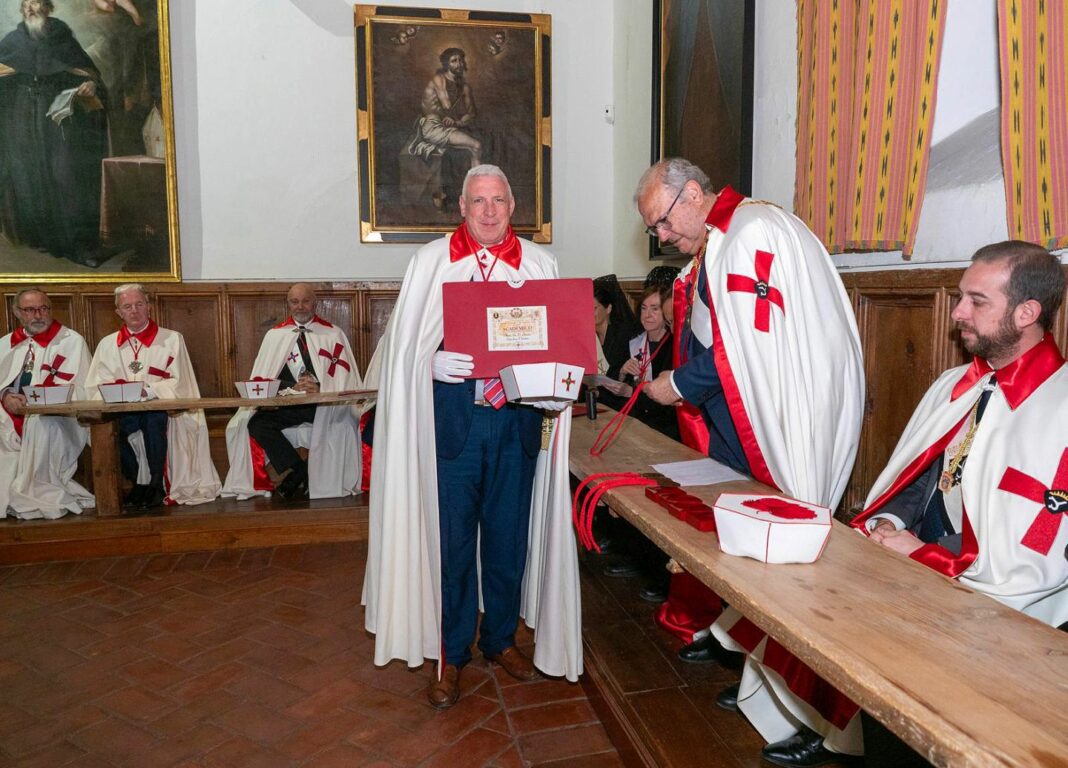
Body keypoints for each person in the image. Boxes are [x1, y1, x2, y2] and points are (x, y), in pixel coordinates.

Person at [735, 242, 1068, 767]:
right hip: (923, 550)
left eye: (975, 301)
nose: (957, 312)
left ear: (1027, 313)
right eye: (959, 297)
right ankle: (827, 725)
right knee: (812, 592)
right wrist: (891, 520)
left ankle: (861, 737)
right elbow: (923, 471)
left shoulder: (1060, 406)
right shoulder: (956, 384)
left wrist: (920, 552)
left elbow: (1028, 550)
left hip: (991, 588)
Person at [634, 158, 865, 763]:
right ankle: (765, 687)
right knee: (754, 569)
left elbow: (744, 352)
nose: (659, 236)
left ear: (690, 195)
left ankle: (823, 723)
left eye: (659, 222)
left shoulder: (749, 234)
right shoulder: (726, 239)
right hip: (750, 425)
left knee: (789, 580)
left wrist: (678, 385)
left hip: (782, 430)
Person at [362, 164, 580, 710]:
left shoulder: (540, 263)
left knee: (508, 541)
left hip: (516, 425)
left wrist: (555, 380)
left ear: (513, 206)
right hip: (452, 428)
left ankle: (501, 640)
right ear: (461, 207)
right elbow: (402, 352)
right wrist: (428, 363)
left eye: (499, 201)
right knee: (452, 546)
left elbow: (563, 347)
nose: (488, 211)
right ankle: (451, 653)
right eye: (478, 201)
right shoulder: (431, 263)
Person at [222, 283, 362, 501]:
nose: (300, 307)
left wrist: (321, 389)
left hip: (323, 405)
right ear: (288, 304)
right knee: (257, 423)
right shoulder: (275, 336)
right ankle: (299, 470)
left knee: (341, 422)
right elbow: (263, 378)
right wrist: (289, 387)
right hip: (289, 404)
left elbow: (347, 380)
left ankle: (298, 475)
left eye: (306, 301)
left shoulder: (333, 334)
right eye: (294, 302)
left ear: (315, 303)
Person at [86, 283, 220, 510]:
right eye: (127, 306)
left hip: (160, 410)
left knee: (154, 420)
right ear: (118, 312)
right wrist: (121, 392)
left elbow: (180, 382)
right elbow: (95, 385)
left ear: (149, 307)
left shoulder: (171, 339)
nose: (134, 310)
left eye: (139, 304)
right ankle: (138, 483)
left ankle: (156, 483)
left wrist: (147, 391)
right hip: (123, 411)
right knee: (109, 430)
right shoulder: (107, 345)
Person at [0, 0, 109, 267]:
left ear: (48, 7)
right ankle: (42, 239)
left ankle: (78, 246)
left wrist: (89, 85)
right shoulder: (12, 41)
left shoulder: (62, 37)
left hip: (60, 123)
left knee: (67, 176)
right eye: (25, 4)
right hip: (20, 123)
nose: (29, 8)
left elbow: (88, 74)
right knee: (28, 175)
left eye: (35, 2)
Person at [0, 288, 93, 519]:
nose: (38, 315)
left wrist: (31, 403)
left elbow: (79, 388)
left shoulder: (71, 341)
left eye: (43, 308)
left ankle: (36, 491)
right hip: (10, 412)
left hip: (58, 416)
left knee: (42, 425)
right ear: (17, 313)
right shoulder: (5, 344)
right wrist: (5, 395)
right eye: (30, 310)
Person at [404, 47, 481, 209]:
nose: (459, 63)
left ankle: (475, 194)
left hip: (448, 125)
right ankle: (474, 194)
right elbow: (446, 104)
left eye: (461, 60)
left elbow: (472, 113)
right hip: (432, 125)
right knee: (475, 145)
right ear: (447, 63)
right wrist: (456, 119)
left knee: (477, 146)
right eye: (454, 60)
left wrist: (458, 122)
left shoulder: (464, 87)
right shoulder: (439, 79)